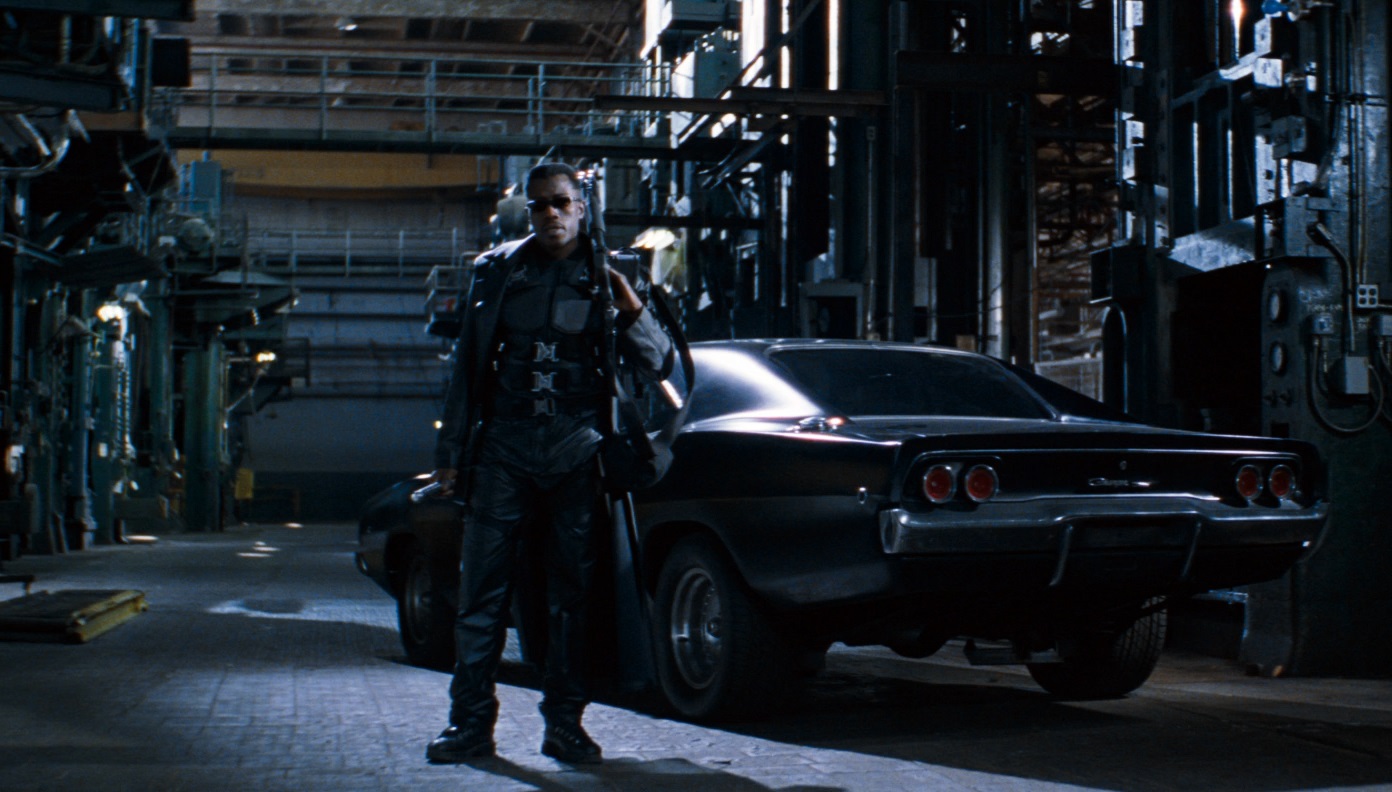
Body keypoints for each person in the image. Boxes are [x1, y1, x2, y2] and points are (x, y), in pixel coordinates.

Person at [424, 162, 674, 765]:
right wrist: (450, 457)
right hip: (503, 450)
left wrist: (630, 305)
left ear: (581, 206)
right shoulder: (498, 270)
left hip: (576, 451)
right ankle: (469, 723)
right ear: (528, 211)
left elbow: (661, 365)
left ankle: (564, 723)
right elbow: (468, 369)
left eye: (561, 202)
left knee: (572, 600)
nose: (551, 214)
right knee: (480, 594)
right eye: (539, 205)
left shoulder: (611, 272)